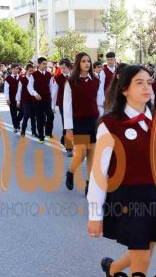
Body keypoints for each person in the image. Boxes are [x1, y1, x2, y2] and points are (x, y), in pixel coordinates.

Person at [87, 65, 156, 277]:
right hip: (128, 198)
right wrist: (95, 214)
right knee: (142, 260)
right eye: (139, 83)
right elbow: (98, 173)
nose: (147, 87)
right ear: (125, 89)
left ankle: (113, 270)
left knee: (144, 253)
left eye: (149, 82)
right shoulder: (110, 124)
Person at [63, 52, 105, 195]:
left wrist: (102, 121)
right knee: (81, 153)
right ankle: (70, 172)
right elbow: (67, 105)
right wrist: (68, 128)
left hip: (93, 121)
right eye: (83, 61)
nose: (87, 63)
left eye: (88, 61)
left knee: (92, 154)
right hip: (79, 122)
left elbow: (100, 102)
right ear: (78, 64)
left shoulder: (96, 81)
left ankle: (89, 184)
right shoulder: (70, 82)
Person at [28, 57, 56, 144]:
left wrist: (52, 98)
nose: (45, 65)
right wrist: (35, 94)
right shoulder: (34, 75)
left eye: (46, 64)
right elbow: (29, 87)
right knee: (39, 118)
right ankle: (41, 136)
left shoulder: (48, 74)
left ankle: (48, 132)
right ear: (39, 64)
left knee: (50, 115)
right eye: (43, 64)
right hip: (38, 100)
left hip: (47, 99)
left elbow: (51, 87)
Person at [53, 58, 72, 157]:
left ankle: (63, 139)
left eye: (64, 68)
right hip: (62, 104)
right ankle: (69, 148)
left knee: (73, 125)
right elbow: (54, 93)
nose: (62, 70)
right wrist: (52, 106)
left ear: (69, 67)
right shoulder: (58, 78)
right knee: (67, 124)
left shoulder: (75, 76)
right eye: (61, 68)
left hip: (74, 104)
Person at [16, 64, 37, 138]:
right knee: (26, 115)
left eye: (32, 71)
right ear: (26, 70)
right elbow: (19, 90)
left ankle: (34, 132)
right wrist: (18, 101)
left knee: (33, 117)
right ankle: (23, 130)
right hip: (25, 100)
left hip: (33, 100)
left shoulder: (34, 79)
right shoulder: (22, 79)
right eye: (30, 71)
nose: (31, 72)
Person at [4, 65, 23, 133]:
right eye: (14, 69)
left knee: (22, 112)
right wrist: (7, 99)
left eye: (17, 69)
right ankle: (16, 127)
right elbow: (6, 89)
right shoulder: (8, 78)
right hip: (11, 99)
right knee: (13, 114)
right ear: (11, 69)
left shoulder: (21, 77)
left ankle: (17, 122)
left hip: (20, 99)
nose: (15, 70)